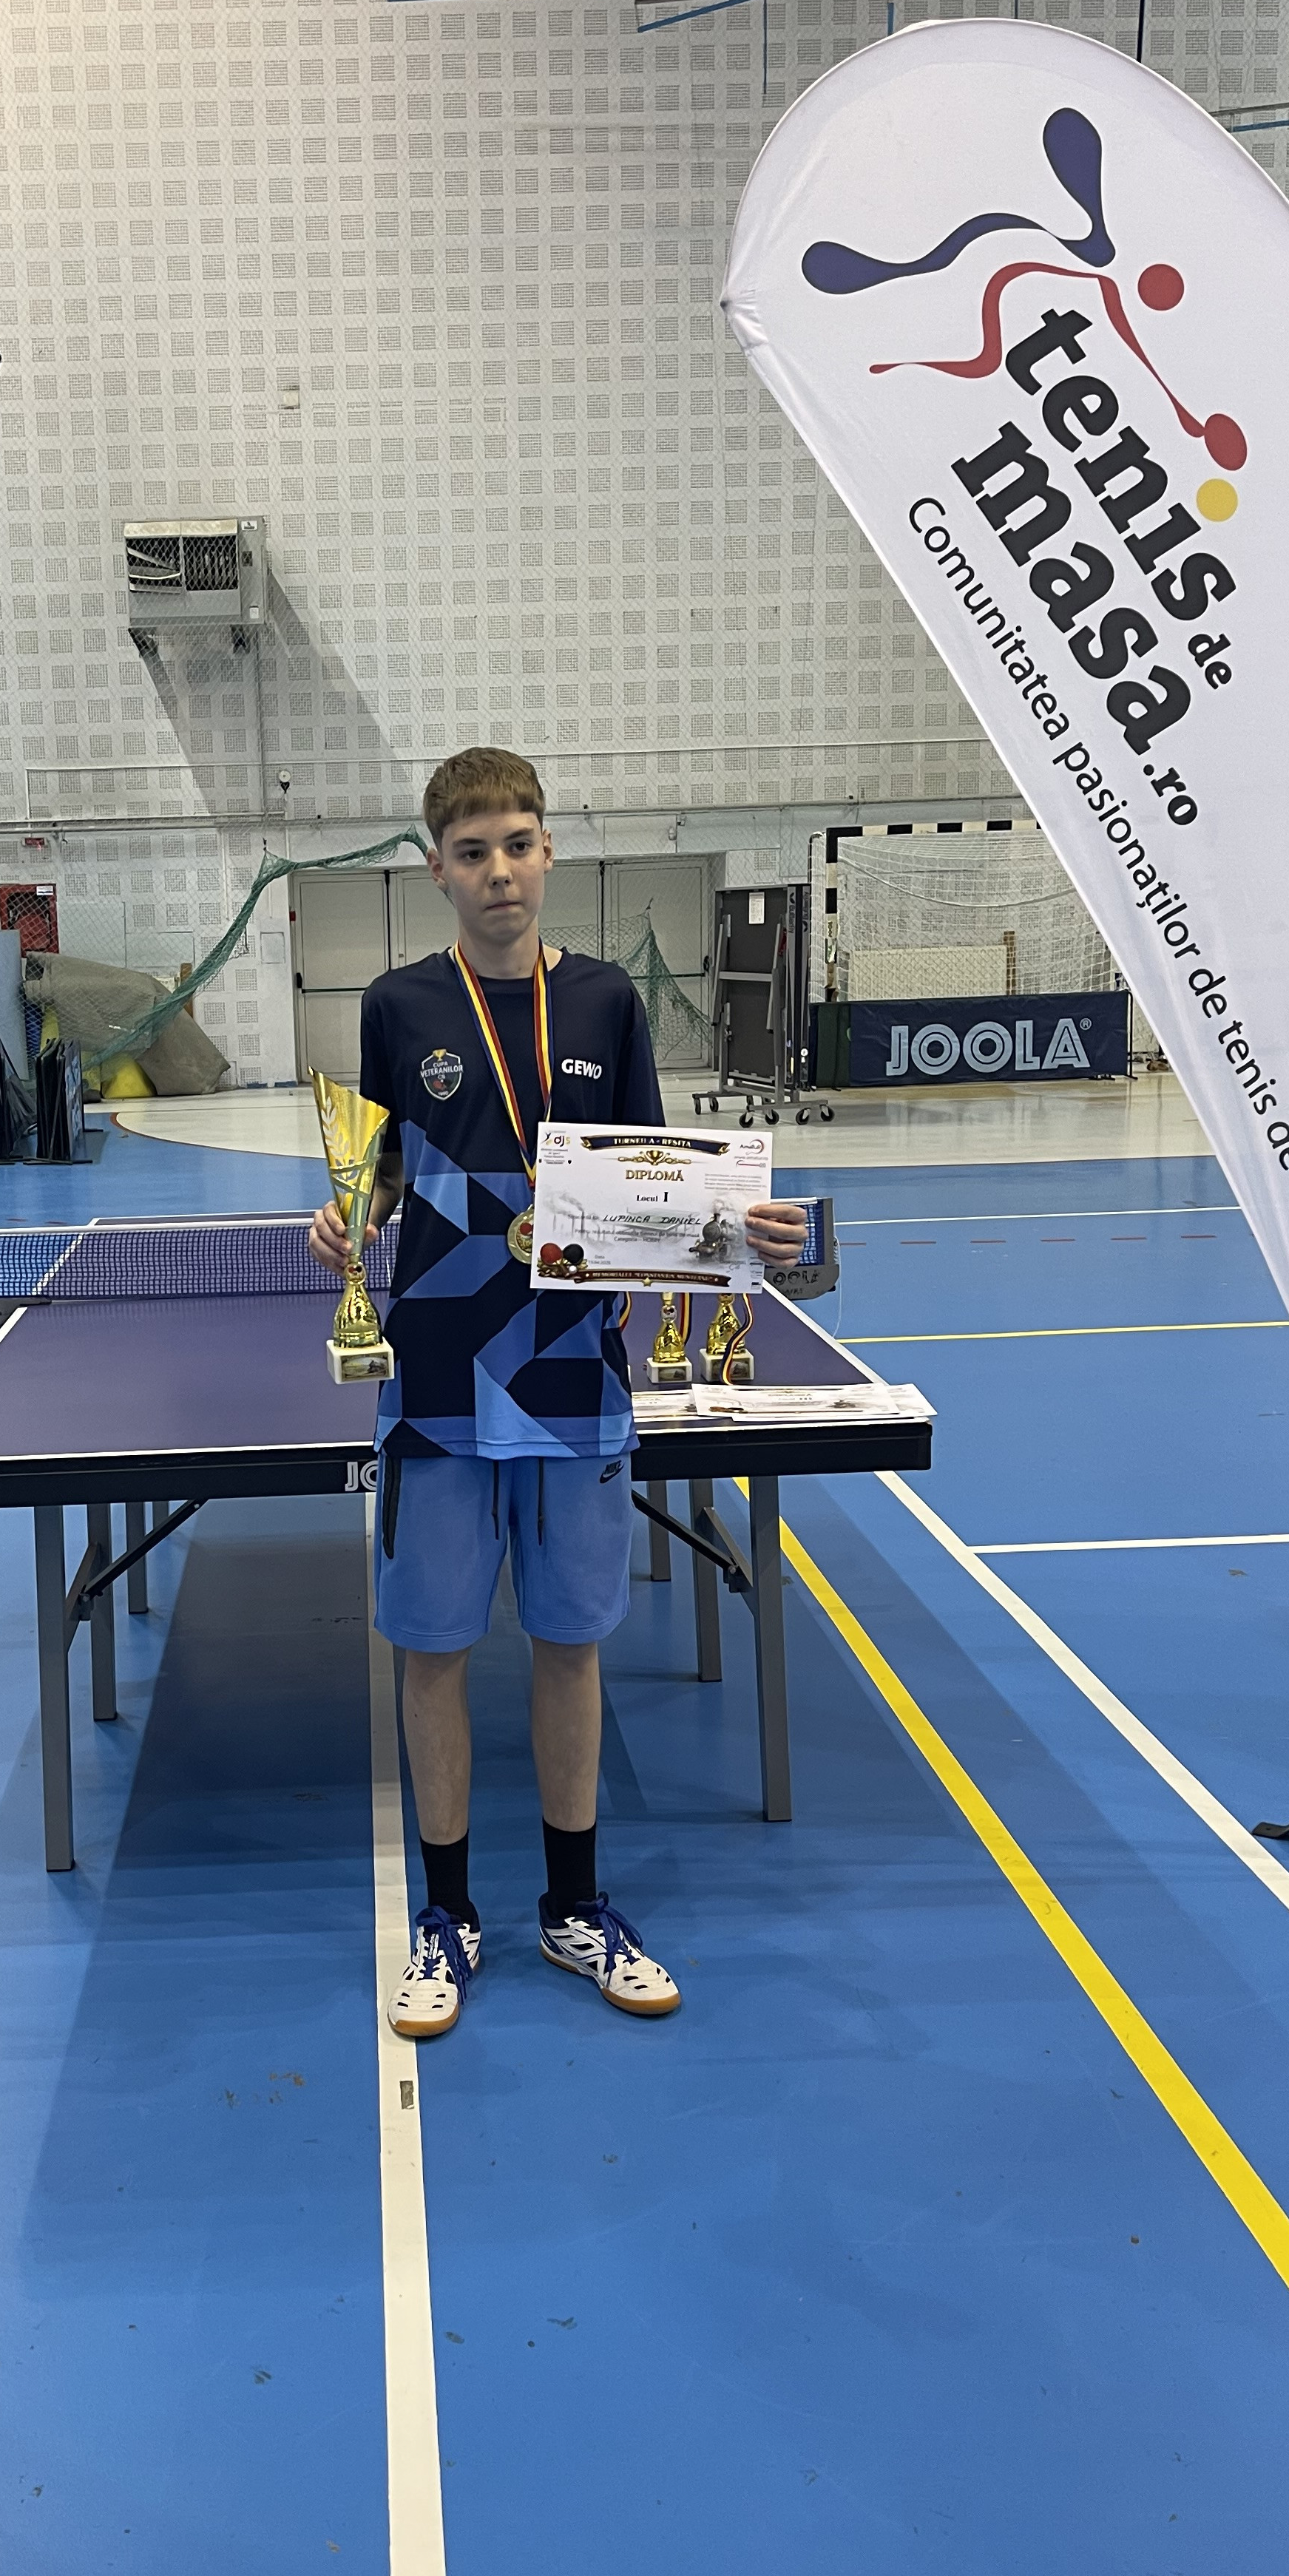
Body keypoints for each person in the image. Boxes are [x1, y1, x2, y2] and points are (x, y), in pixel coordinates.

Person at [310, 747, 809, 2039]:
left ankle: (575, 1908)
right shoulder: (397, 1006)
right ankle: (446, 1917)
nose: (501, 872)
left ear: (549, 854)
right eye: (473, 852)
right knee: (431, 1651)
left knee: (570, 1642)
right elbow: (380, 1168)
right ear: (436, 869)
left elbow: (656, 1181)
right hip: (433, 1373)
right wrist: (349, 1216)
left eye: (519, 844)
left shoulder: (603, 1003)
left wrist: (741, 1233)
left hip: (574, 1373)